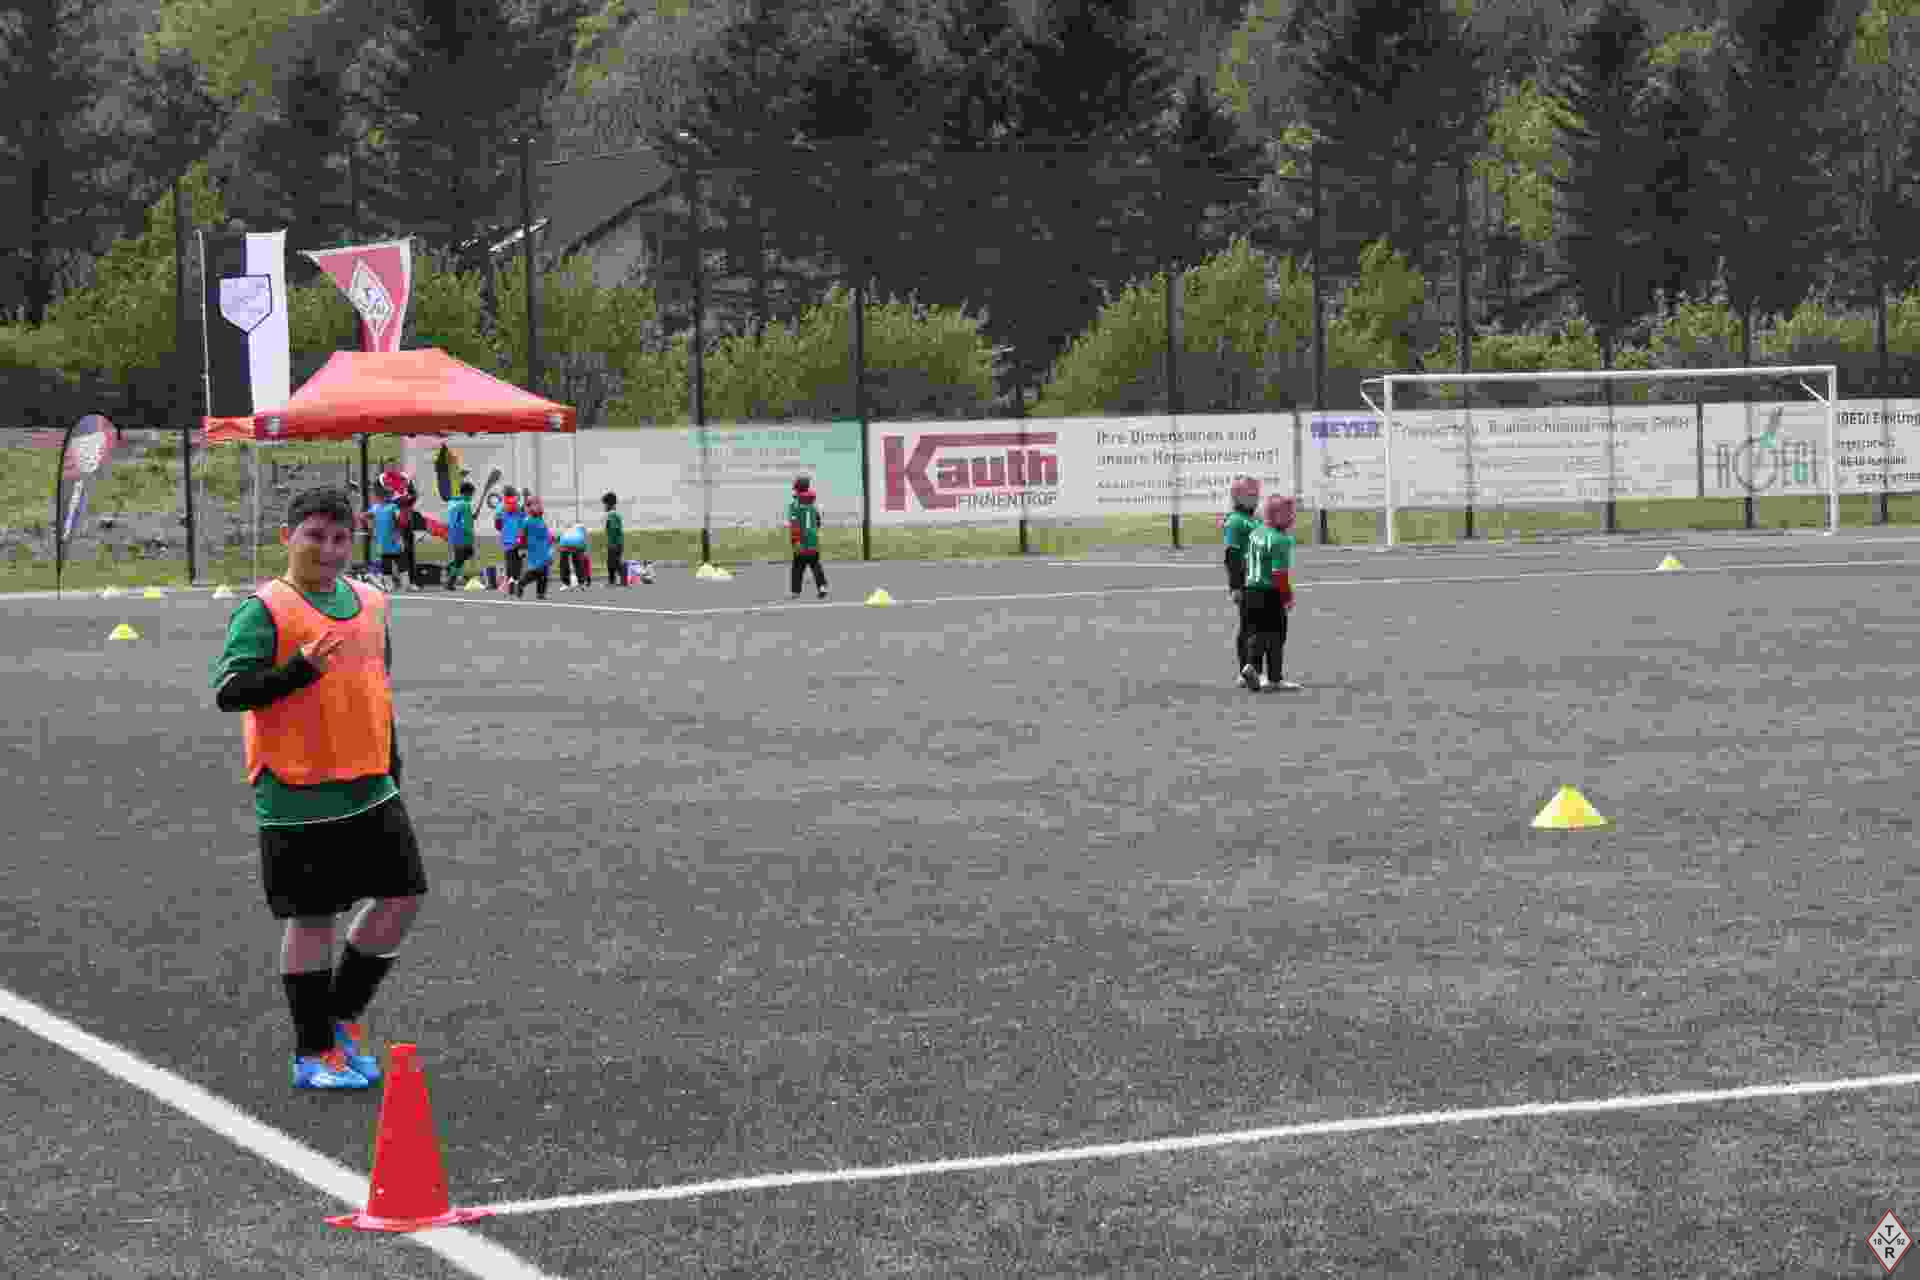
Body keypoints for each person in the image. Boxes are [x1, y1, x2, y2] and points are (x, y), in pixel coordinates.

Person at [208, 486, 428, 1092]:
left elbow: (376, 686)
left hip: (370, 783)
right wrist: (298, 670)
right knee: (313, 920)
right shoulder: (265, 609)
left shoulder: (372, 601)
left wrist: (391, 761)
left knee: (402, 899)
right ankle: (313, 1052)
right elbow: (230, 691)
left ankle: (340, 1018)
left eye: (339, 538)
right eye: (315, 536)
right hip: (296, 789)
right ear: (288, 538)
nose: (329, 550)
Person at [1240, 494, 1301, 693]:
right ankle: (1274, 678)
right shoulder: (1280, 540)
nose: (1292, 517)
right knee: (1276, 635)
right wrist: (1287, 597)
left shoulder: (1256, 532)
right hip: (1269, 592)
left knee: (1258, 632)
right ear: (1276, 516)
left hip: (1250, 590)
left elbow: (1247, 560)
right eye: (1288, 513)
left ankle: (1254, 668)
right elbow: (1279, 574)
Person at [1221, 475, 1261, 684]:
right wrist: (1235, 586)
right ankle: (1245, 671)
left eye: (1256, 494)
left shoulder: (1256, 520)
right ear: (1237, 497)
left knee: (1261, 626)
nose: (1255, 498)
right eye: (1250, 495)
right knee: (1248, 626)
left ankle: (1255, 670)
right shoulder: (1235, 521)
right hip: (1246, 582)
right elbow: (1232, 555)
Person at [788, 474, 828, 600]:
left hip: (801, 541)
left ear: (797, 489)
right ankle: (822, 586)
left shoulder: (794, 506)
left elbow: (794, 524)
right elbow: (818, 522)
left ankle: (796, 591)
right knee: (815, 565)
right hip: (813, 540)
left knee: (797, 568)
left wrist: (796, 540)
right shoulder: (813, 505)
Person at [514, 496, 555, 599]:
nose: (538, 507)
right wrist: (521, 548)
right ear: (529, 508)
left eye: (539, 505)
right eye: (535, 505)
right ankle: (521, 583)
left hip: (544, 548)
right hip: (534, 549)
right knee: (537, 570)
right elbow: (521, 536)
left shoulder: (541, 521)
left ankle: (540, 593)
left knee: (544, 571)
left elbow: (546, 534)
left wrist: (551, 540)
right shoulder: (527, 521)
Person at [366, 490, 406, 593]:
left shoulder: (394, 507)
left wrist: (398, 534)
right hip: (382, 541)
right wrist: (371, 529)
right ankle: (389, 586)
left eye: (388, 495)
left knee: (400, 561)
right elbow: (367, 516)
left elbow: (400, 520)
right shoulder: (376, 508)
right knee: (386, 563)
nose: (385, 497)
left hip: (393, 539)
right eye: (383, 495)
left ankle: (405, 584)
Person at [444, 480, 477, 591]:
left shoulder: (452, 502)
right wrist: (471, 535)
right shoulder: (465, 505)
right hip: (462, 535)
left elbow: (458, 517)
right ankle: (450, 581)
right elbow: (467, 523)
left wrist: (472, 516)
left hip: (453, 533)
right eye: (471, 494)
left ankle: (450, 567)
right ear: (467, 493)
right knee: (460, 559)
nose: (472, 497)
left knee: (466, 554)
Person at [495, 487, 526, 591]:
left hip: (507, 539)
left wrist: (503, 529)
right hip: (519, 538)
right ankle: (516, 580)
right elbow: (524, 520)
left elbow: (497, 524)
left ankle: (510, 581)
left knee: (509, 561)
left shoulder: (501, 507)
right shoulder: (519, 506)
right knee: (518, 561)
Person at [602, 492, 627, 588]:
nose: (604, 507)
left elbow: (614, 530)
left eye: (605, 504)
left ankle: (621, 580)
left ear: (609, 504)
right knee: (612, 562)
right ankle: (613, 581)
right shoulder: (613, 514)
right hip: (615, 542)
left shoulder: (612, 515)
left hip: (615, 543)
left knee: (614, 562)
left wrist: (612, 543)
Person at [555, 523, 592, 590]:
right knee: (578, 564)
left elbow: (559, 541)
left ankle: (566, 583)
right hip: (577, 546)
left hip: (566, 546)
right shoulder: (580, 532)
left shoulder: (565, 531)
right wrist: (584, 550)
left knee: (564, 564)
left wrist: (559, 550)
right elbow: (584, 542)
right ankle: (581, 583)